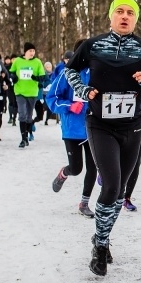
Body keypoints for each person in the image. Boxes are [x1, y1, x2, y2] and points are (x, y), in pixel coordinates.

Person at [64, 0, 141, 277]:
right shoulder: (93, 45)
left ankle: (104, 235)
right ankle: (99, 246)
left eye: (130, 13)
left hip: (132, 127)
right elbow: (70, 71)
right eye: (119, 11)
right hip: (100, 125)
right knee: (110, 186)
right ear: (111, 16)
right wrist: (85, 92)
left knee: (120, 190)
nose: (124, 16)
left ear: (135, 19)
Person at [46, 47, 98, 220]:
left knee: (93, 168)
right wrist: (69, 106)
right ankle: (64, 173)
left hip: (93, 128)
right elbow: (52, 98)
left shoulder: (97, 73)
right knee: (76, 168)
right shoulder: (67, 74)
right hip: (72, 130)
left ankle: (84, 203)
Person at [9, 42, 46, 148]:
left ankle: (27, 134)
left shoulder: (37, 62)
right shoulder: (17, 61)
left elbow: (43, 77)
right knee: (22, 114)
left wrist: (36, 78)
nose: (32, 53)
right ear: (25, 51)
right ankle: (23, 139)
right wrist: (13, 78)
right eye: (30, 51)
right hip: (20, 91)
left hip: (32, 92)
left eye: (33, 51)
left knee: (29, 117)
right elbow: (11, 72)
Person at [121, 90, 141, 212]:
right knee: (116, 157)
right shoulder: (111, 75)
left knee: (134, 162)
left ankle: (127, 197)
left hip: (135, 125)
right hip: (112, 126)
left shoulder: (139, 78)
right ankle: (104, 172)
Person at [4, 54, 19, 125]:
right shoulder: (7, 67)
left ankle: (14, 119)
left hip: (17, 87)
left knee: (16, 103)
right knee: (11, 102)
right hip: (10, 87)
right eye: (13, 59)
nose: (14, 60)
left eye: (15, 59)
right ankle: (10, 117)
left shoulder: (19, 67)